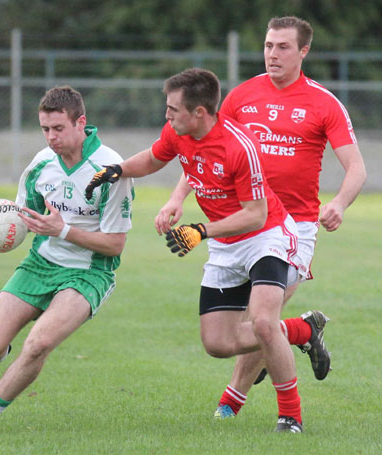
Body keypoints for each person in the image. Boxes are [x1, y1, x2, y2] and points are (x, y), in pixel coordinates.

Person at [84, 67, 330, 433]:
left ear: (199, 112)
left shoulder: (238, 147)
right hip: (226, 245)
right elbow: (154, 158)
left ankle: (290, 416)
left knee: (262, 322)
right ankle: (301, 331)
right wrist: (117, 169)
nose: (166, 116)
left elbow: (255, 214)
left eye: (172, 110)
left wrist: (200, 230)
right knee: (217, 343)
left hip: (267, 236)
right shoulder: (178, 133)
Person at [155, 16, 366, 421]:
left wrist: (339, 203)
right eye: (268, 45)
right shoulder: (242, 96)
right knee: (249, 329)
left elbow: (356, 167)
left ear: (304, 51)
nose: (272, 54)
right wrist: (177, 197)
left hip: (292, 227)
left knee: (261, 320)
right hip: (240, 226)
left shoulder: (324, 103)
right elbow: (204, 148)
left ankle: (234, 403)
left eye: (283, 47)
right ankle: (304, 330)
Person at [0, 86, 134, 435]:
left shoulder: (111, 170)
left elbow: (116, 245)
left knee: (39, 343)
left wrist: (63, 231)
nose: (51, 138)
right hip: (41, 264)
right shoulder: (42, 165)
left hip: (88, 272)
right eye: (45, 129)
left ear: (81, 123)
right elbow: (20, 220)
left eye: (58, 129)